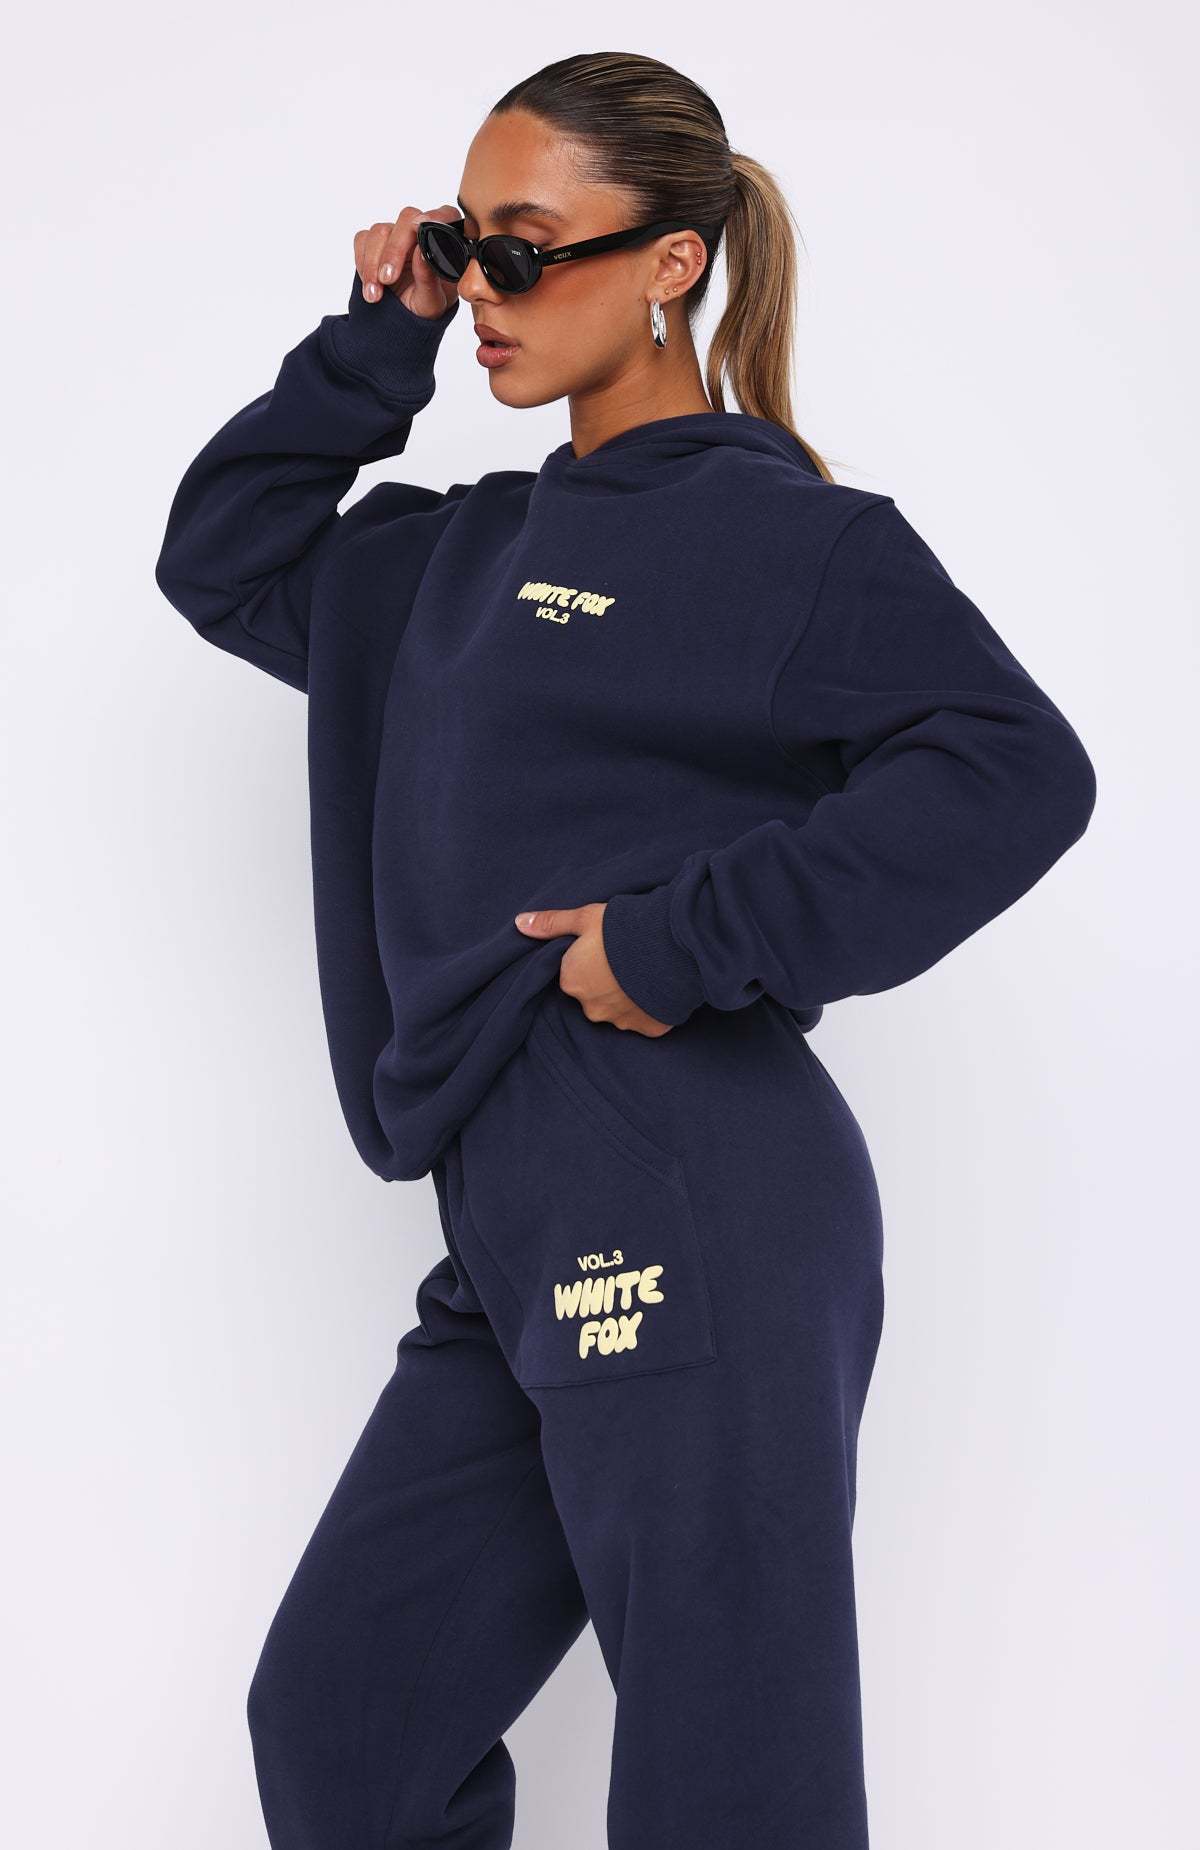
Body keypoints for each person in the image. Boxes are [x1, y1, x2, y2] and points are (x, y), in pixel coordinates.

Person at [153, 50, 1096, 1850]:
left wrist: (684, 938)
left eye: (522, 250)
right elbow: (223, 557)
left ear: (671, 264)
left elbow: (1016, 769)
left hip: (694, 1190)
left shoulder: (785, 540)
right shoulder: (444, 565)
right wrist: (377, 336)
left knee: (727, 1774)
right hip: (512, 1230)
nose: (483, 291)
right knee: (345, 1723)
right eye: (463, 246)